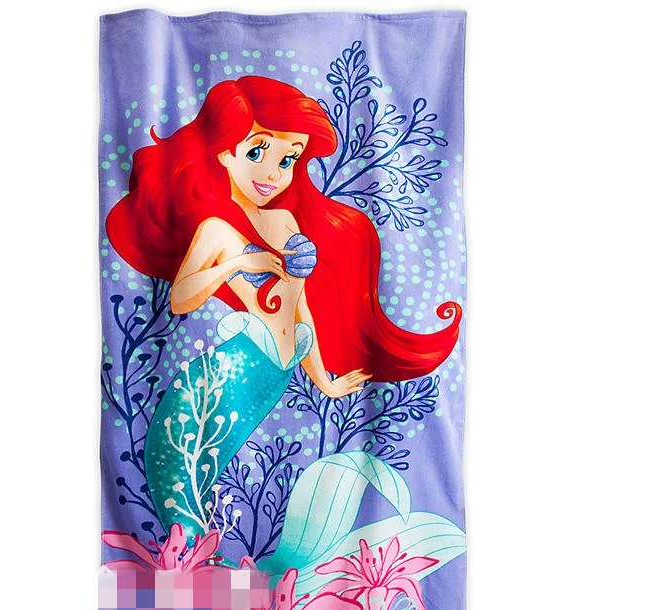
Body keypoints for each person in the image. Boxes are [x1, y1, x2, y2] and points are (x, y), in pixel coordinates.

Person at [105, 76, 462, 538]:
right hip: (226, 377)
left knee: (207, 483)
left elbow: (300, 309)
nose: (272, 173)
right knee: (189, 482)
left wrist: (324, 380)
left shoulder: (285, 220)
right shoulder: (215, 228)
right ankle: (187, 579)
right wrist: (237, 264)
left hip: (273, 376)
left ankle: (207, 576)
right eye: (257, 152)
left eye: (287, 159)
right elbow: (181, 297)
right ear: (224, 152)